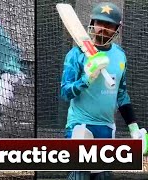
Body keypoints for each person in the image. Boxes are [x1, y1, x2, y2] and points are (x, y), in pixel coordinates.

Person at [60, 2, 147, 180]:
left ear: (117, 29)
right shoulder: (76, 54)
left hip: (106, 127)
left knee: (102, 176)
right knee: (80, 172)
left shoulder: (120, 55)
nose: (103, 29)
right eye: (99, 23)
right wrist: (87, 79)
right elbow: (65, 92)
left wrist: (134, 128)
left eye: (109, 25)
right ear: (92, 23)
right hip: (79, 124)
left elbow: (121, 94)